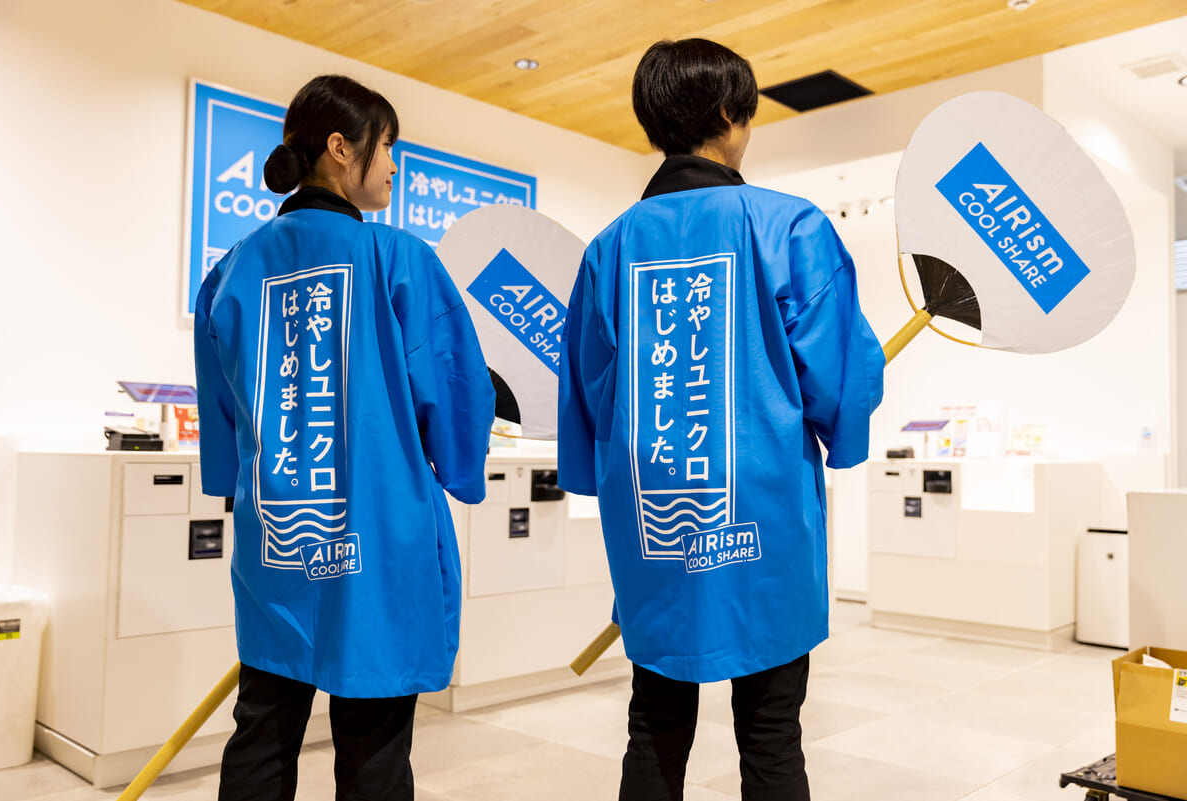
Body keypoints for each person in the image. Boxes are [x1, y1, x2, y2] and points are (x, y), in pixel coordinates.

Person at [557, 39, 884, 801]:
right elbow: (837, 374)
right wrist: (843, 428)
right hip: (765, 520)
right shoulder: (788, 226)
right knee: (771, 732)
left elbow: (590, 388)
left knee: (654, 722)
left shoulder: (609, 249)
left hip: (653, 516)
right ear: (733, 114)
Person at [194, 74, 495, 801]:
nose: (393, 165)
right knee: (374, 747)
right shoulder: (399, 258)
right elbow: (456, 389)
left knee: (262, 729)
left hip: (277, 538)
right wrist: (461, 469)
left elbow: (221, 411)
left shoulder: (230, 270)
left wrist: (228, 480)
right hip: (380, 541)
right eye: (386, 146)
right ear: (340, 147)